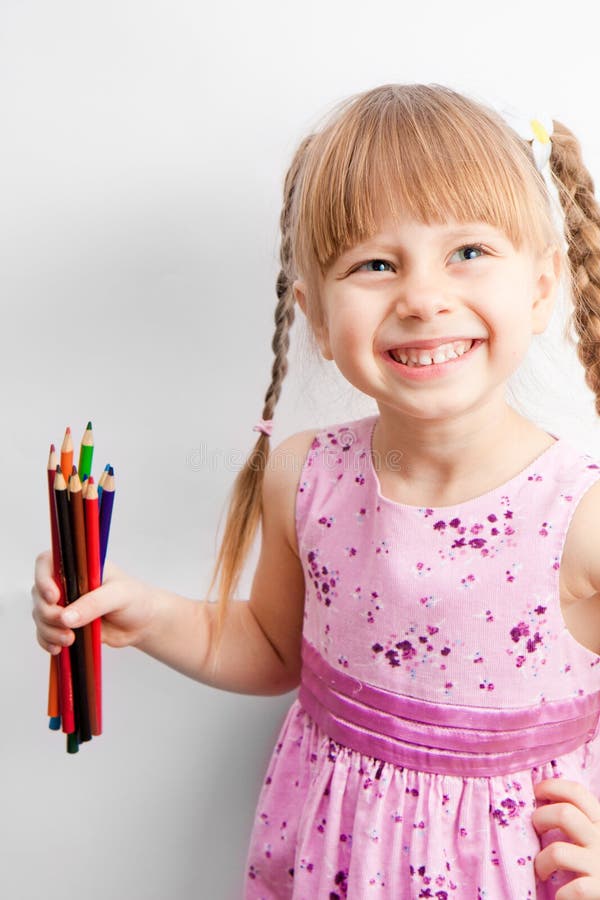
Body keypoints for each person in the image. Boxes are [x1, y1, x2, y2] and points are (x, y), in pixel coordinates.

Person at [32, 83, 600, 898]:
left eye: (467, 252)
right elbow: (272, 646)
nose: (423, 298)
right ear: (318, 318)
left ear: (542, 286)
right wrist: (147, 613)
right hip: (333, 863)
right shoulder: (307, 476)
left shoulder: (582, 516)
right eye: (375, 264)